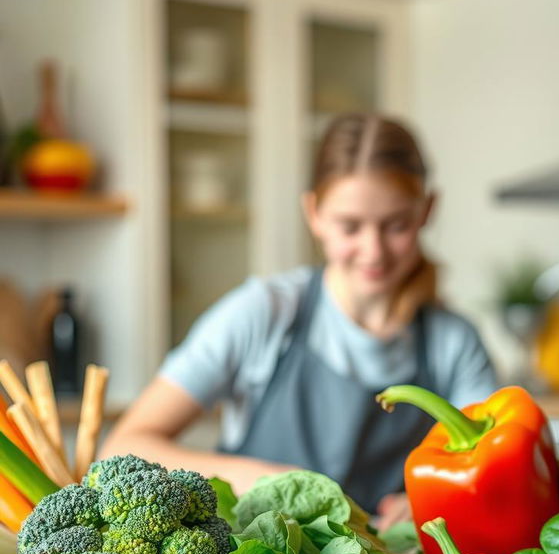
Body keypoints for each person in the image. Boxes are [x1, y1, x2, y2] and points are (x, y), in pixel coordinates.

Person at [101, 113, 496, 524]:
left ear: (427, 211)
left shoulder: (454, 343)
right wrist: (276, 482)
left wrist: (430, 504)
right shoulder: (264, 314)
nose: (373, 250)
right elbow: (122, 448)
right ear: (314, 214)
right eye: (350, 227)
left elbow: (491, 474)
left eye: (396, 225)